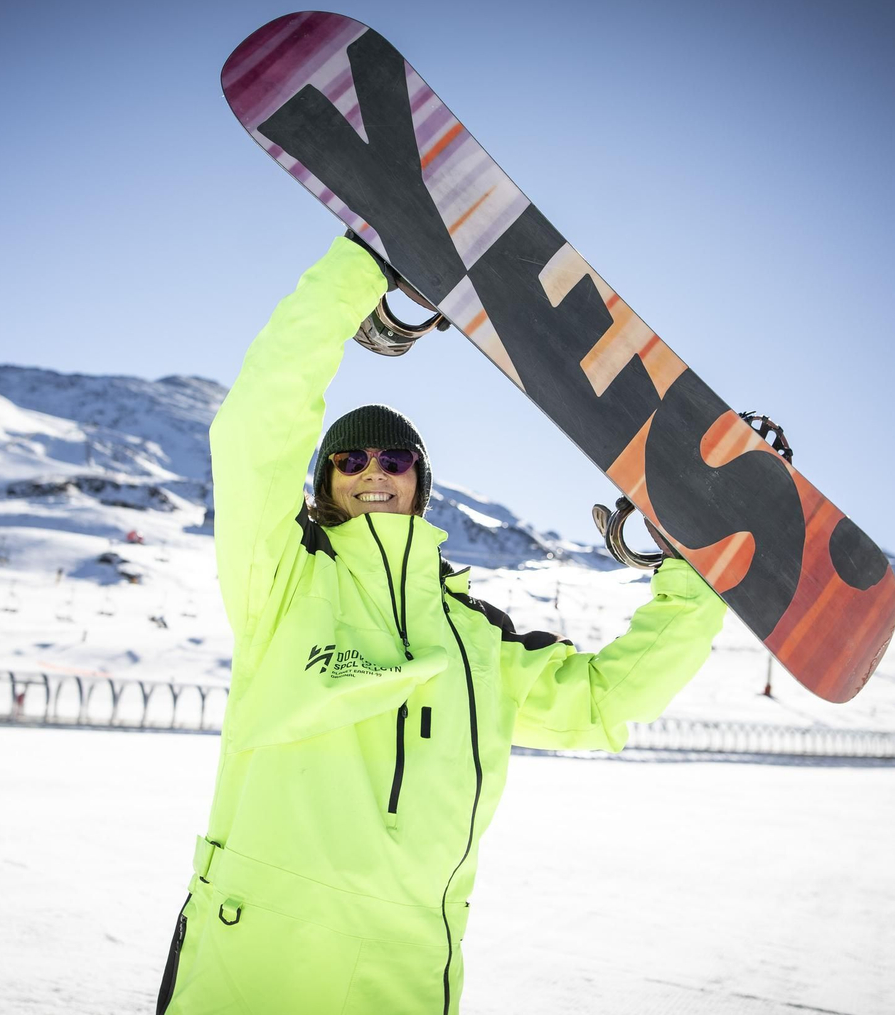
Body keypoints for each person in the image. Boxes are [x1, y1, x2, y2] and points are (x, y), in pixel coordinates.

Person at [154, 236, 727, 1014]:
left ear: (420, 481)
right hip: (257, 944)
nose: (372, 473)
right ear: (324, 480)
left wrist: (696, 581)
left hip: (408, 964)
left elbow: (602, 702)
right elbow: (256, 427)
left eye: (395, 460)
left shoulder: (476, 637)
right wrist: (361, 273)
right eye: (350, 461)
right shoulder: (284, 581)